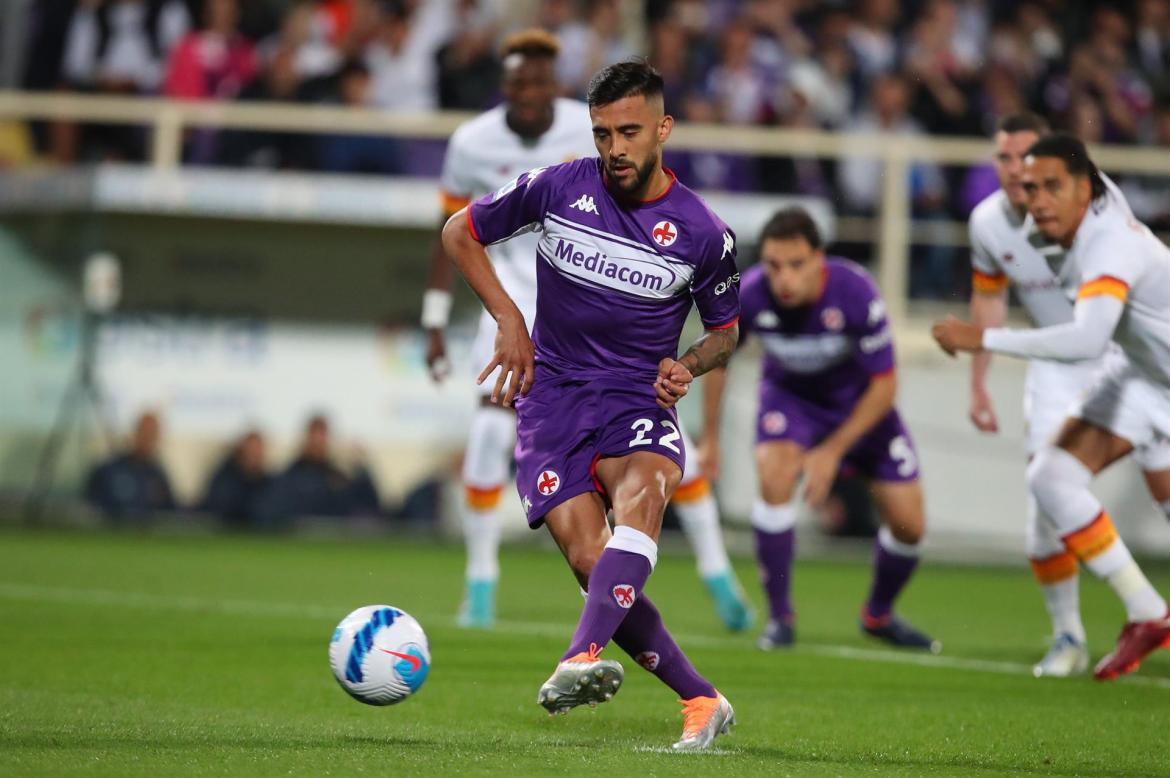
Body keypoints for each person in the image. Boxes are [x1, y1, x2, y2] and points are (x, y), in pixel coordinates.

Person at [440, 60, 738, 751]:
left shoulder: (702, 233)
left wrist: (686, 365)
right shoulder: (558, 187)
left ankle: (578, 655)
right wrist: (510, 320)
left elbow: (726, 331)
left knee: (646, 492)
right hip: (552, 401)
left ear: (663, 128)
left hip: (636, 396)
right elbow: (460, 232)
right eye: (603, 133)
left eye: (629, 132)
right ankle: (701, 698)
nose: (614, 149)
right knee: (589, 560)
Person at [933, 134, 1170, 680]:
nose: (1036, 198)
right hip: (1139, 376)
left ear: (1086, 188)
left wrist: (984, 340)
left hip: (1130, 367)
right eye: (1029, 186)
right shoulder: (1019, 220)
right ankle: (1147, 611)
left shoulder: (1112, 242)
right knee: (1051, 477)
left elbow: (1088, 339)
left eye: (1051, 186)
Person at [701, 207, 937, 653]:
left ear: (819, 260)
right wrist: (710, 436)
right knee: (773, 475)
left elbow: (885, 385)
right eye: (773, 266)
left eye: (796, 265)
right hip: (792, 403)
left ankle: (879, 614)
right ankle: (780, 619)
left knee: (910, 526)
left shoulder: (856, 292)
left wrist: (831, 452)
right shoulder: (750, 295)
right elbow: (718, 359)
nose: (784, 278)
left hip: (861, 410)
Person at [262, 414, 381, 523]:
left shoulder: (339, 478)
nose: (317, 442)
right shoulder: (288, 477)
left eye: (322, 435)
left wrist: (361, 468)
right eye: (314, 435)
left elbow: (371, 506)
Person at [84, 410, 176, 519]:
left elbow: (172, 512)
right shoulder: (108, 471)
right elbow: (88, 508)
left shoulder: (158, 476)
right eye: (144, 432)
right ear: (135, 433)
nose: (147, 438)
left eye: (152, 433)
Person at [198, 429, 272, 528]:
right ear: (241, 452)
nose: (253, 456)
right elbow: (219, 508)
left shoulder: (270, 482)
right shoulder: (225, 478)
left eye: (257, 452)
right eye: (250, 451)